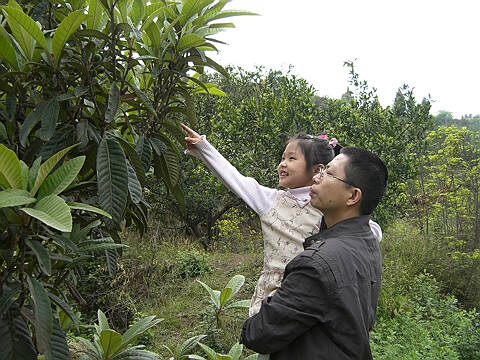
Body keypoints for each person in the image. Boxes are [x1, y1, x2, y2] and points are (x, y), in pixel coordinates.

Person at [181, 124, 382, 316]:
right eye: (283, 157)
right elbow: (235, 179)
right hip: (274, 294)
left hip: (311, 289)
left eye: (292, 158)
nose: (282, 164)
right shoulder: (271, 200)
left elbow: (366, 229)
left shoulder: (326, 205)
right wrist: (204, 148)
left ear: (317, 170)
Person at [240, 147, 388, 360]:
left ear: (353, 196)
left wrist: (267, 301)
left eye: (328, 173)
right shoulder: (366, 242)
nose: (316, 178)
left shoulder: (316, 264)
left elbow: (258, 334)